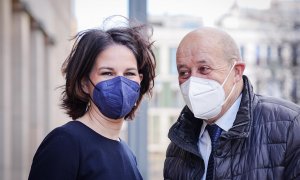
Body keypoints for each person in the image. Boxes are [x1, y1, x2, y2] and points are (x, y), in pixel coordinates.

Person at [163, 27, 300, 180]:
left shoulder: (290, 127)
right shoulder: (178, 147)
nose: (192, 81)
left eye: (204, 69)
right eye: (184, 72)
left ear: (236, 72)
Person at [28, 18, 156, 180]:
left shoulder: (128, 153)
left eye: (129, 73)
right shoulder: (65, 142)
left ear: (140, 80)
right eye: (107, 73)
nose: (120, 82)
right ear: (84, 84)